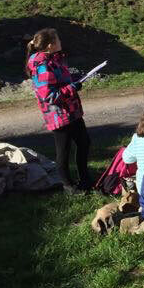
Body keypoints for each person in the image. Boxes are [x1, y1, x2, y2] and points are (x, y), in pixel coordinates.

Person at [25, 28, 91, 192]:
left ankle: (85, 179)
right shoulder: (42, 67)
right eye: (58, 39)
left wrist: (74, 81)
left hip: (71, 111)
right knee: (63, 151)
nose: (61, 42)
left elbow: (59, 80)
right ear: (50, 45)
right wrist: (72, 88)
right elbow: (48, 96)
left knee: (84, 142)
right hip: (59, 116)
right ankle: (68, 185)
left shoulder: (55, 59)